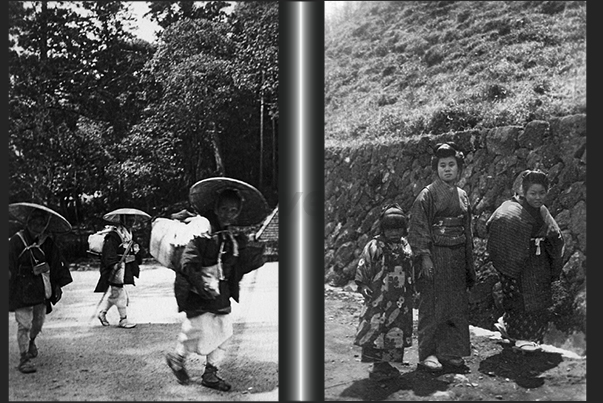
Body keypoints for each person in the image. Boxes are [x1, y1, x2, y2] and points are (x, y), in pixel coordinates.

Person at [166, 188, 266, 391]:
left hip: (220, 295)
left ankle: (211, 373)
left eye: (233, 210)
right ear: (216, 208)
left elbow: (236, 264)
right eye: (224, 209)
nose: (228, 214)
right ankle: (177, 358)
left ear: (238, 212)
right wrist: (201, 284)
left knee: (225, 331)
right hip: (198, 293)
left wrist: (252, 250)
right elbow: (187, 262)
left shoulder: (228, 236)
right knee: (195, 330)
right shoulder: (202, 231)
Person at [407, 142, 475, 371]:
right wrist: (424, 257)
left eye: (452, 165)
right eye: (443, 165)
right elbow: (418, 228)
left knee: (455, 305)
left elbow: (467, 230)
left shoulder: (463, 195)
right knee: (433, 305)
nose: (447, 169)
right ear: (436, 168)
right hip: (435, 255)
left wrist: (468, 260)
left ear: (459, 168)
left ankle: (450, 352)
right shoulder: (427, 195)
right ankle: (429, 353)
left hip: (456, 255)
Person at [486, 169, 564, 352]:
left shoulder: (542, 211)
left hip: (538, 261)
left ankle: (522, 334)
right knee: (518, 298)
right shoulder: (510, 210)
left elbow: (556, 236)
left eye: (542, 193)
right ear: (524, 191)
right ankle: (520, 336)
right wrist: (513, 261)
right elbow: (497, 234)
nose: (537, 198)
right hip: (517, 262)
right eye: (533, 193)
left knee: (537, 299)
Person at [353, 203, 414, 381]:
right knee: (376, 329)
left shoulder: (405, 246)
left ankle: (388, 365)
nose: (394, 233)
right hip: (378, 298)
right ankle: (378, 367)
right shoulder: (375, 246)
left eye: (398, 229)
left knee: (396, 330)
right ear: (383, 228)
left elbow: (410, 269)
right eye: (390, 229)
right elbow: (364, 266)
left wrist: (412, 289)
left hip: (399, 300)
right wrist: (363, 285)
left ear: (403, 229)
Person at [9, 208, 73, 374]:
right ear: (28, 222)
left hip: (41, 288)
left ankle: (32, 340)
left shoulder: (48, 242)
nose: (39, 226)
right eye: (36, 222)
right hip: (21, 288)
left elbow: (57, 264)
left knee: (38, 322)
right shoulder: (16, 241)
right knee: (23, 323)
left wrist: (57, 285)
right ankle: (24, 358)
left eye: (43, 224)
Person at [94, 214, 143, 329]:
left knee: (114, 293)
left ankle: (102, 313)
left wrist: (135, 250)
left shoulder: (129, 234)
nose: (132, 222)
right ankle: (123, 319)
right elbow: (109, 252)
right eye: (129, 219)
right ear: (123, 220)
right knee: (120, 293)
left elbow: (131, 248)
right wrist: (113, 264)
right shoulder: (114, 235)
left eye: (133, 219)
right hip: (115, 266)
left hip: (125, 266)